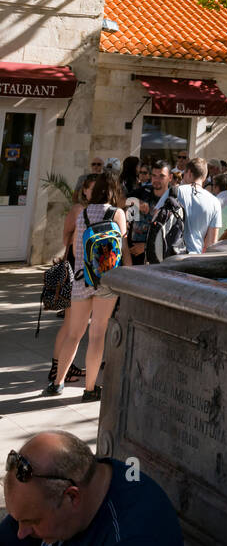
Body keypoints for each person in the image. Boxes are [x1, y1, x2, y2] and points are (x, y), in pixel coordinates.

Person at [0, 431, 185, 546]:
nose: (21, 532)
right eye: (19, 520)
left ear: (72, 497)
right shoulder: (43, 499)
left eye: (31, 522)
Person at [49, 171, 131, 399]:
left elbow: (77, 248)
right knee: (97, 335)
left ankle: (57, 383)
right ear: (115, 190)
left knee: (74, 333)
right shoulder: (118, 213)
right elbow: (120, 247)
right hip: (106, 279)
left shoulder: (83, 213)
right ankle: (90, 388)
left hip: (80, 278)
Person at [45, 175, 97, 388]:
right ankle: (56, 370)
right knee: (69, 326)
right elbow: (66, 238)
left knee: (73, 325)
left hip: (82, 269)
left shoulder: (91, 209)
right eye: (92, 188)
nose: (95, 192)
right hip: (76, 269)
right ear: (84, 190)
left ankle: (66, 366)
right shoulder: (79, 210)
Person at [152, 157, 221, 254]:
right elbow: (211, 243)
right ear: (204, 177)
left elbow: (156, 217)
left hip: (170, 255)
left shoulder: (175, 191)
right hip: (195, 259)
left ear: (188, 172)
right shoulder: (215, 202)